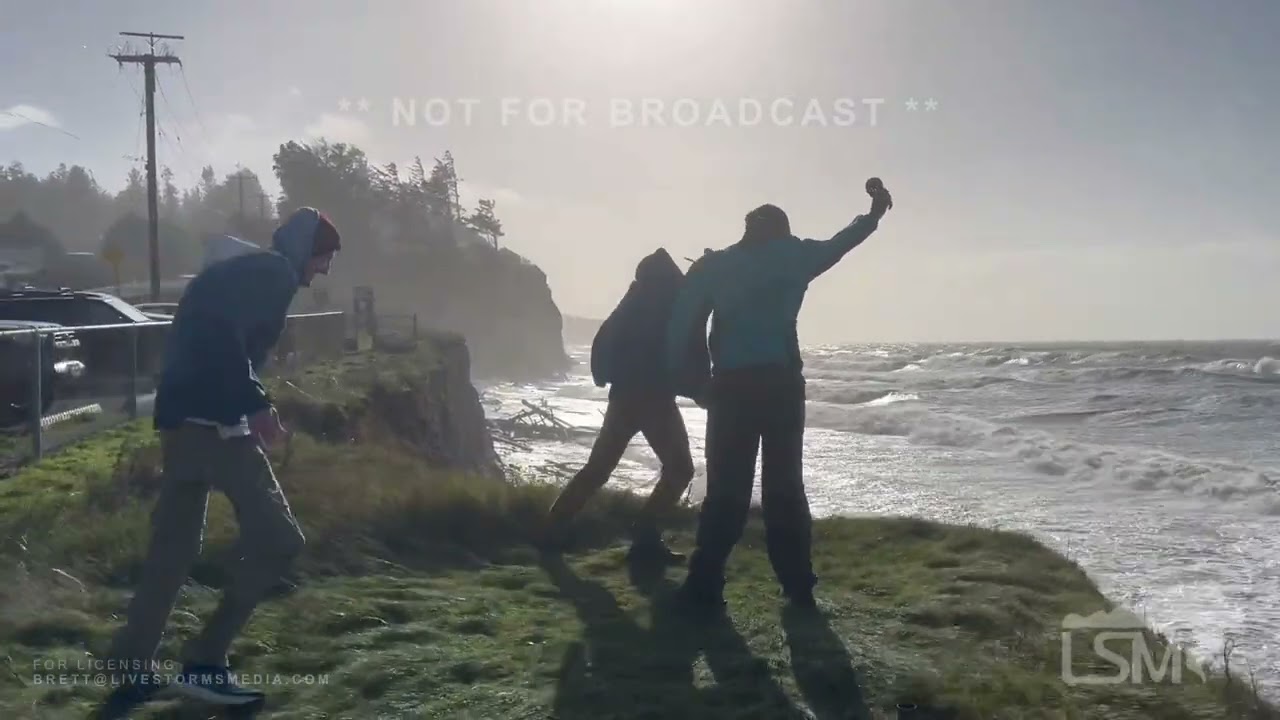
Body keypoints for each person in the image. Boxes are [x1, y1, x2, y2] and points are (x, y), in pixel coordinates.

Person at [102, 207, 341, 708]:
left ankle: (130, 666)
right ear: (305, 250)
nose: (323, 270)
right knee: (280, 541)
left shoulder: (243, 270)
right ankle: (205, 663)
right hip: (218, 424)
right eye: (323, 258)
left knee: (173, 552)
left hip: (179, 420)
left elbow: (208, 330)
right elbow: (220, 333)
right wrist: (255, 402)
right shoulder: (273, 274)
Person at [664, 178, 894, 614]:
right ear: (783, 231)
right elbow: (843, 241)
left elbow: (680, 327)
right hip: (782, 386)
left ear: (747, 230)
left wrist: (692, 384)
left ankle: (704, 584)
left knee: (726, 489)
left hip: (730, 388)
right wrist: (875, 212)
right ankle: (798, 588)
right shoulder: (796, 255)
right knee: (785, 488)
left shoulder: (714, 266)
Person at [538, 248, 709, 565]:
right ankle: (644, 537)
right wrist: (700, 390)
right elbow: (684, 348)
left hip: (623, 397)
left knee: (598, 469)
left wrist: (604, 377)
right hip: (653, 399)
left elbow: (603, 341)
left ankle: (552, 529)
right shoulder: (669, 305)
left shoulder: (633, 302)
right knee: (680, 469)